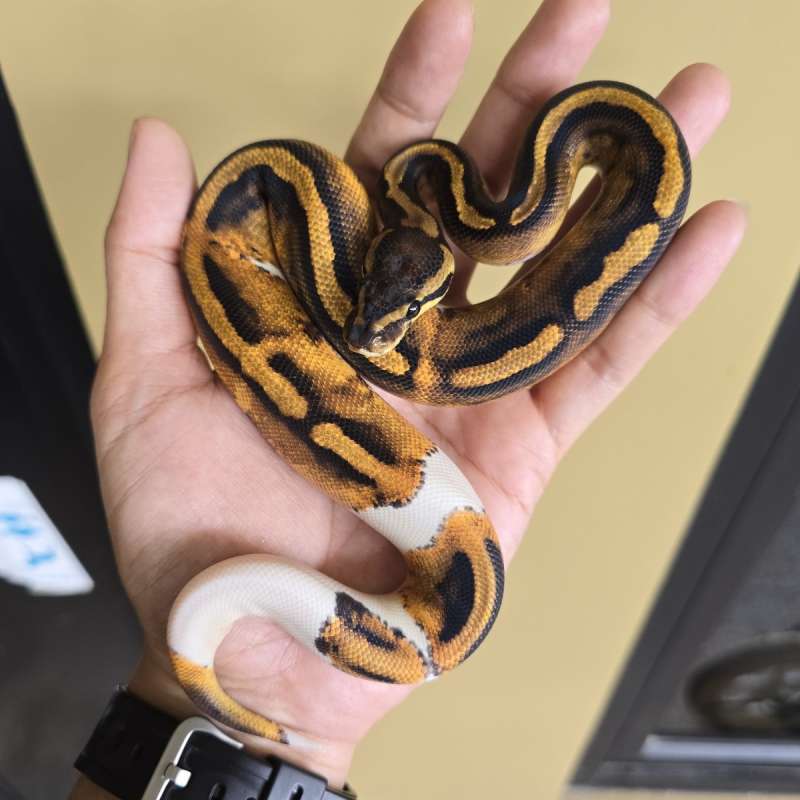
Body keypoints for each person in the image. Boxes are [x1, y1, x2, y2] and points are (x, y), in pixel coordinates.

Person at [70, 0, 746, 795]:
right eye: (376, 311)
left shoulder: (459, 222)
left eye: (405, 314)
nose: (369, 337)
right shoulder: (380, 238)